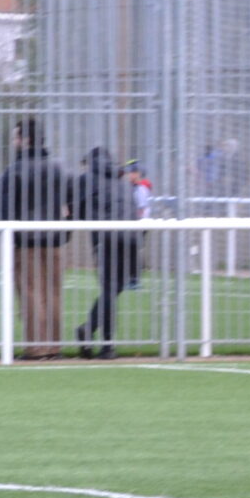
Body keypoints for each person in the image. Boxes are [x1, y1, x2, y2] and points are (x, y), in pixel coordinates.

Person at [1, 117, 72, 359]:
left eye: (16, 137)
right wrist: (65, 233)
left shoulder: (14, 170)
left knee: (30, 294)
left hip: (25, 242)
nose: (14, 142)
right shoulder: (58, 168)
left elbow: (6, 208)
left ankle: (35, 347)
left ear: (26, 140)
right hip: (54, 241)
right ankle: (54, 346)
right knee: (53, 293)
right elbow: (70, 203)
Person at [73, 146, 141, 359]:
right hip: (131, 238)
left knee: (109, 290)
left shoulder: (87, 179)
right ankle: (94, 334)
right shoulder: (123, 179)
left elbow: (77, 211)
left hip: (107, 238)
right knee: (113, 290)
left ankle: (102, 341)